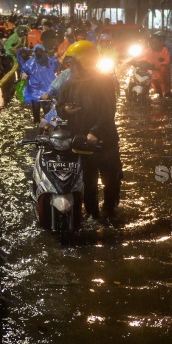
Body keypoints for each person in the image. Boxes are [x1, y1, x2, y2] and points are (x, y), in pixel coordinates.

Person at [55, 40, 122, 219]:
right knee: (88, 182)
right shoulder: (68, 84)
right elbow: (59, 108)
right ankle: (93, 213)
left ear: (84, 62)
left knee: (112, 180)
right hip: (80, 141)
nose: (70, 68)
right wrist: (66, 111)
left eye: (73, 64)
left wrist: (94, 132)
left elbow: (108, 111)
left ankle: (110, 210)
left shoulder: (104, 81)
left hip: (105, 142)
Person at [21, 44, 60, 125]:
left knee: (47, 108)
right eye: (37, 52)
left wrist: (56, 58)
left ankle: (50, 125)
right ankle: (37, 124)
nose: (38, 54)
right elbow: (24, 69)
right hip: (34, 89)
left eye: (40, 52)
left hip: (46, 89)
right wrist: (23, 74)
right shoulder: (30, 62)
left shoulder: (48, 61)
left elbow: (56, 67)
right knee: (35, 108)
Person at [139, 34, 172, 98]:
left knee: (166, 92)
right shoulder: (148, 50)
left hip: (163, 73)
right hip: (152, 72)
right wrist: (133, 61)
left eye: (155, 42)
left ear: (160, 43)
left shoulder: (164, 50)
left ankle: (166, 93)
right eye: (152, 42)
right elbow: (140, 57)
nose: (153, 44)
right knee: (157, 91)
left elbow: (167, 61)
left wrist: (158, 64)